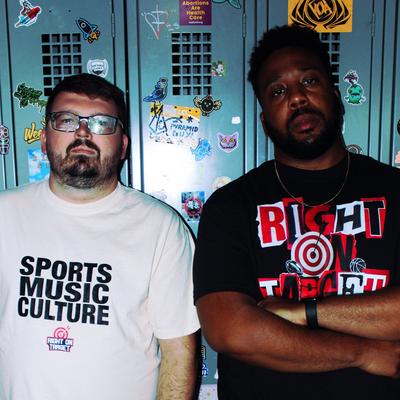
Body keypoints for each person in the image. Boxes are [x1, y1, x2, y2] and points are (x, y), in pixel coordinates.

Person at [193, 25, 400, 399]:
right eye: (278, 91)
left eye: (309, 81)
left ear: (335, 97)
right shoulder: (230, 207)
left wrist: (304, 312)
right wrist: (364, 352)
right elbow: (230, 329)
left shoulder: (395, 191)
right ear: (264, 121)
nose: (297, 98)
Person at [0, 73, 200, 400]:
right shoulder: (4, 215)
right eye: (66, 120)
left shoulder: (162, 228)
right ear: (44, 139)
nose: (82, 132)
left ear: (123, 146)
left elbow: (178, 353)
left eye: (101, 123)